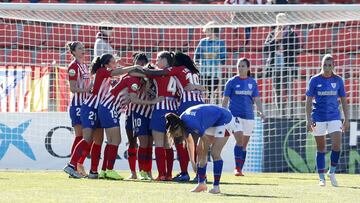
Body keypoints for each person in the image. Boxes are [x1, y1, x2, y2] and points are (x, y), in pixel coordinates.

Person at [63, 54, 140, 178]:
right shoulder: (102, 71)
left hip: (98, 108)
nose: (115, 64)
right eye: (113, 62)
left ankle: (93, 171)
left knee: (98, 141)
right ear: (106, 64)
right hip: (90, 107)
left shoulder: (107, 74)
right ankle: (72, 165)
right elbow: (119, 71)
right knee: (87, 138)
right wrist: (133, 67)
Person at [134, 52, 205, 181]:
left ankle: (166, 174)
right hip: (185, 108)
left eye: (158, 59)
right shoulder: (193, 72)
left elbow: (145, 74)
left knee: (166, 143)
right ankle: (195, 174)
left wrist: (138, 68)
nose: (156, 61)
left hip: (166, 108)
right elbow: (201, 88)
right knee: (194, 143)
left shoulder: (169, 71)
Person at [98, 67, 162, 180]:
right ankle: (109, 170)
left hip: (109, 107)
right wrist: (152, 102)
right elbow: (134, 99)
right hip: (110, 107)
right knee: (116, 140)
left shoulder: (132, 78)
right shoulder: (134, 81)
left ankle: (104, 170)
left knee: (111, 141)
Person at [166, 104, 236, 194]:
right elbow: (189, 143)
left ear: (177, 127)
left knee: (215, 153)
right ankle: (201, 184)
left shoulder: (190, 123)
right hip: (213, 122)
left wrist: (204, 157)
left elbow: (205, 141)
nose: (177, 136)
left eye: (175, 134)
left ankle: (216, 187)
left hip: (225, 119)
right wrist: (193, 162)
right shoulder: (181, 123)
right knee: (199, 150)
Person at [305, 54, 349, 187]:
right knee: (321, 147)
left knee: (337, 145)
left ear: (333, 66)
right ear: (321, 65)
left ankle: (332, 172)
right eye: (325, 64)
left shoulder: (338, 80)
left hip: (334, 117)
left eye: (330, 65)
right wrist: (308, 119)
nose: (327, 67)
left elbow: (343, 100)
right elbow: (308, 101)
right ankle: (321, 178)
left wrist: (346, 119)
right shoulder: (314, 80)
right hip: (318, 117)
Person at [222, 58, 265, 176]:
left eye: (242, 66)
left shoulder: (252, 82)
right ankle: (237, 168)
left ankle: (240, 169)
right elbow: (225, 100)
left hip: (249, 117)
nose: (240, 68)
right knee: (239, 140)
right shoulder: (231, 82)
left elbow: (256, 99)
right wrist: (223, 113)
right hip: (235, 115)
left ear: (248, 68)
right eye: (238, 66)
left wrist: (261, 112)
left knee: (244, 145)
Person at [263, 13, 299, 115]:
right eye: (279, 20)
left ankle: (291, 114)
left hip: (288, 67)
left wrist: (283, 40)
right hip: (275, 67)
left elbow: (296, 48)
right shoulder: (272, 33)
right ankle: (281, 114)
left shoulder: (292, 33)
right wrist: (276, 40)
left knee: (289, 91)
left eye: (283, 19)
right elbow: (265, 48)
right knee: (277, 92)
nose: (281, 22)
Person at [66, 41, 92, 177]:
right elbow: (72, 88)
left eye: (84, 47)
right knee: (81, 136)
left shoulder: (84, 66)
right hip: (77, 105)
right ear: (74, 52)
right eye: (80, 48)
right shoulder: (73, 66)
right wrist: (86, 89)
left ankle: (78, 164)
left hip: (86, 104)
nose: (83, 50)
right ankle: (74, 166)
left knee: (88, 137)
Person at [194, 21, 226, 104]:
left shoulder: (220, 42)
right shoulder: (203, 42)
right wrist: (196, 63)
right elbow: (197, 54)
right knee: (203, 92)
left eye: (207, 30)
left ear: (212, 30)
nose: (205, 32)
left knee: (212, 93)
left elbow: (224, 57)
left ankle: (211, 106)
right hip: (203, 72)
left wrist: (221, 62)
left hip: (215, 73)